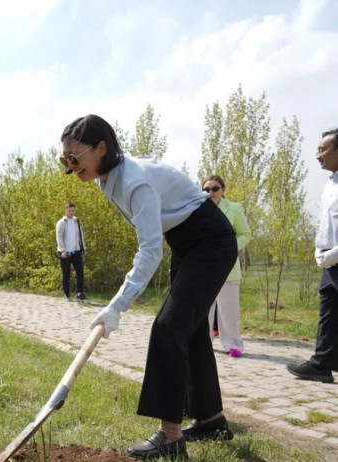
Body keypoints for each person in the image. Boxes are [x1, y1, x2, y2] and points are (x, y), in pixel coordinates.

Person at [61, 114, 236, 460]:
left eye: (75, 158)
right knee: (191, 328)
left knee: (169, 327)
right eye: (65, 159)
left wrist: (117, 305)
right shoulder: (105, 178)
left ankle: (170, 436)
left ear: (101, 148)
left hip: (210, 240)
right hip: (186, 242)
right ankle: (211, 420)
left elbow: (150, 250)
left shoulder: (134, 182)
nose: (70, 166)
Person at [287, 128, 338, 384]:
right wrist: (320, 251)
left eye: (322, 149)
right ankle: (322, 364)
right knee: (329, 313)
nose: (317, 155)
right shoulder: (330, 184)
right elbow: (327, 223)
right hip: (330, 261)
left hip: (336, 257)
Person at [201, 175, 251, 358]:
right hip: (203, 268)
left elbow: (245, 234)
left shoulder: (234, 209)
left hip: (227, 268)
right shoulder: (198, 208)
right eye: (206, 189)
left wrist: (228, 248)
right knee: (203, 310)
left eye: (215, 188)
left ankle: (233, 344)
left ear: (223, 190)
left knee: (228, 310)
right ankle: (204, 343)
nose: (211, 192)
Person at [55, 202, 87, 301]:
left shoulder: (76, 221)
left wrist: (84, 248)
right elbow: (59, 236)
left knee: (80, 272)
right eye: (69, 210)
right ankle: (66, 294)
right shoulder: (61, 222)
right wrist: (63, 250)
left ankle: (79, 294)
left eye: (73, 210)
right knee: (66, 274)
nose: (71, 212)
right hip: (65, 252)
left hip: (76, 251)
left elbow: (81, 236)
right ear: (66, 210)